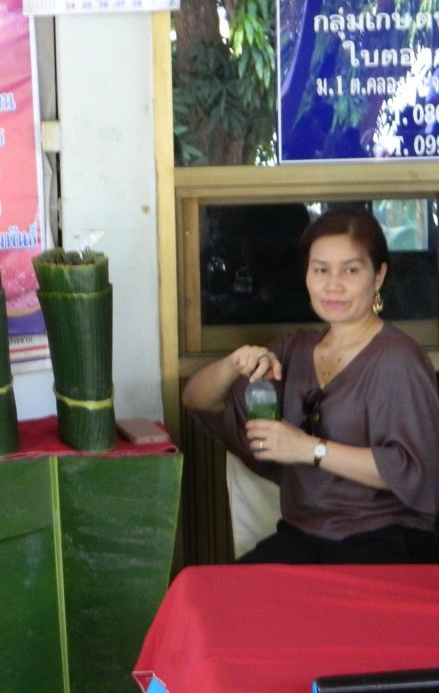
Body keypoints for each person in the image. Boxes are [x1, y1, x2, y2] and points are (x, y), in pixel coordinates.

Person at [182, 207, 439, 564]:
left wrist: (309, 449)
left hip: (385, 538)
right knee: (223, 591)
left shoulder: (399, 359)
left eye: (351, 270)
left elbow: (414, 470)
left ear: (378, 275)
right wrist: (232, 365)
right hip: (304, 535)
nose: (333, 285)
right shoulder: (292, 349)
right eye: (320, 270)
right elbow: (197, 399)